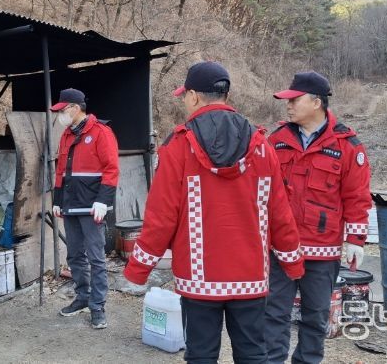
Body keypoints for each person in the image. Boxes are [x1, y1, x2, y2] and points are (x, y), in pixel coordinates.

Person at [124, 61, 304, 363]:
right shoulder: (261, 145)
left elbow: (161, 215)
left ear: (194, 96)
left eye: (185, 96)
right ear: (226, 94)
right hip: (250, 277)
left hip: (198, 279)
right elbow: (279, 212)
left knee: (201, 355)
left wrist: (139, 268)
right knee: (253, 354)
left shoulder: (179, 145)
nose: (184, 101)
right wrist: (293, 263)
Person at [264, 71, 372, 364]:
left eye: (294, 100)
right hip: (281, 248)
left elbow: (357, 195)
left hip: (322, 251)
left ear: (316, 102)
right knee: (273, 313)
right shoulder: (276, 140)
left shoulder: (346, 145)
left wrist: (356, 239)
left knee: (315, 316)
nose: (288, 106)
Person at [51, 88, 119, 329]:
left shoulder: (101, 132)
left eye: (62, 110)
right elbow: (60, 171)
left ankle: (97, 306)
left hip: (92, 207)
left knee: (96, 258)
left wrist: (103, 200)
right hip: (70, 206)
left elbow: (111, 168)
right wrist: (57, 200)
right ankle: (82, 297)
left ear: (75, 108)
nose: (60, 115)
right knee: (74, 255)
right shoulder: (66, 135)